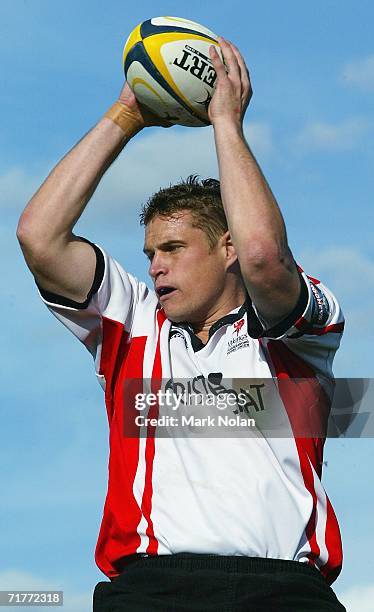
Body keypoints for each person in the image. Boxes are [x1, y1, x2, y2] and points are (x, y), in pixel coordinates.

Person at [17, 37, 346, 612]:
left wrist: (225, 123)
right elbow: (38, 237)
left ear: (227, 248)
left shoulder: (302, 331)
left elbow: (266, 255)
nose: (155, 266)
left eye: (172, 247)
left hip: (286, 593)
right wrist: (126, 115)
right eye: (149, 252)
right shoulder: (133, 318)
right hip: (152, 590)